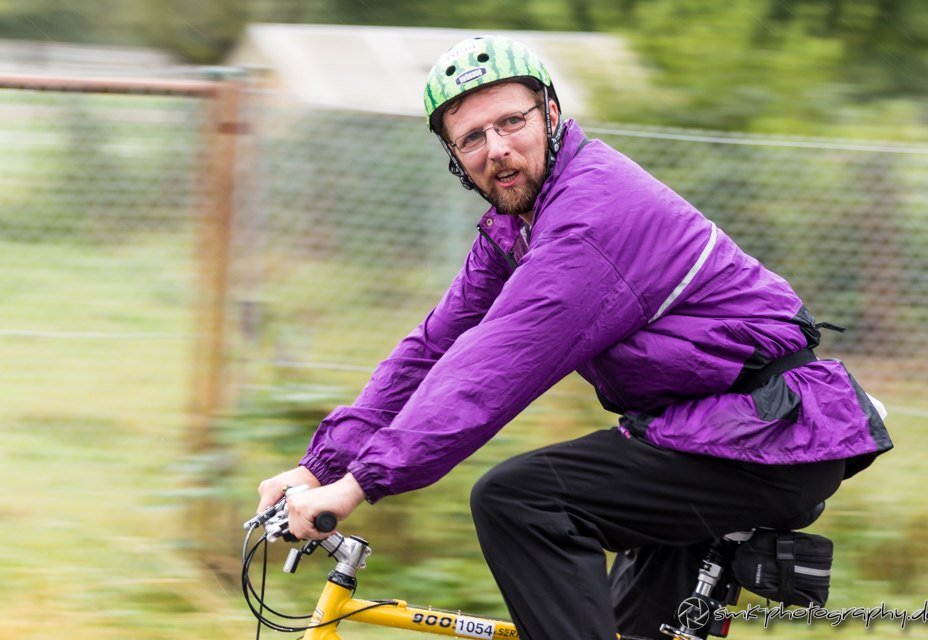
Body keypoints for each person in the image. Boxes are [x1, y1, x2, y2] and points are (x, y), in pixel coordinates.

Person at [256, 36, 893, 639]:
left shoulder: (590, 219)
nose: (496, 148)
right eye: (472, 138)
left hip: (762, 434)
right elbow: (432, 349)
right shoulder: (516, 226)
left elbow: (492, 367)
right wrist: (322, 464)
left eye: (511, 122)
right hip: (696, 434)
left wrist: (360, 484)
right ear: (456, 160)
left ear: (552, 114)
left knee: (519, 502)